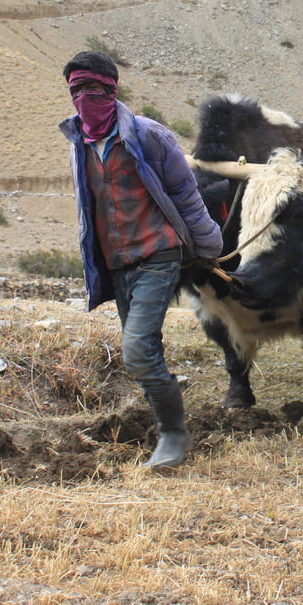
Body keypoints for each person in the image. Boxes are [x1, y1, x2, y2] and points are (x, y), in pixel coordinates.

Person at [59, 51, 223, 468]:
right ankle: (163, 424)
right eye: (77, 89)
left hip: (157, 254)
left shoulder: (151, 137)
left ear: (113, 90)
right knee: (147, 347)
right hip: (117, 263)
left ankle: (173, 434)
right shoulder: (78, 141)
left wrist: (208, 247)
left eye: (94, 89)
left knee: (134, 351)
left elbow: (186, 195)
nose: (85, 97)